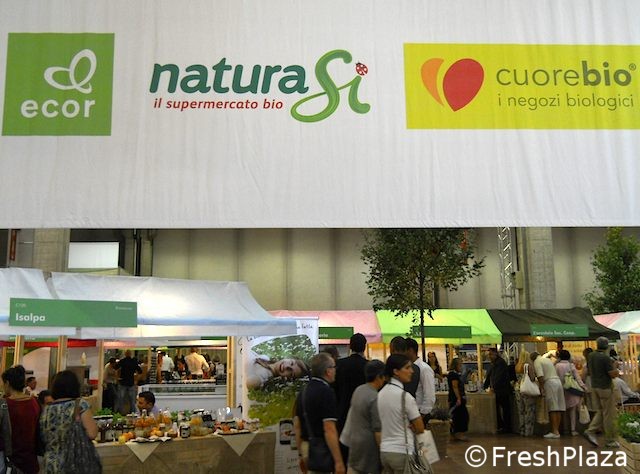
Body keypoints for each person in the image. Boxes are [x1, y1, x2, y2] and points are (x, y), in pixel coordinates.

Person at [294, 352, 345, 474]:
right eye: (334, 367)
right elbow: (329, 428)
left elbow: (297, 425)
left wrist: (300, 454)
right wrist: (339, 461)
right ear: (328, 371)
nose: (335, 371)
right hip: (322, 451)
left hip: (306, 448)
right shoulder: (326, 392)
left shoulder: (303, 392)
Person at [40, 369, 99, 473]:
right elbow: (92, 433)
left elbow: (43, 436)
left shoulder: (47, 410)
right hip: (73, 463)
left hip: (51, 464)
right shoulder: (80, 405)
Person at [378, 354, 425, 473]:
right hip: (402, 450)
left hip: (384, 451)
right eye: (407, 368)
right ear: (396, 371)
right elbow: (420, 428)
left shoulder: (380, 394)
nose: (411, 371)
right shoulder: (405, 397)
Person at [340, 360, 384, 474]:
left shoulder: (358, 390)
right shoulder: (374, 397)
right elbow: (377, 431)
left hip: (354, 444)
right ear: (378, 377)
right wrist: (383, 453)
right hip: (368, 448)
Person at [2, 365, 40, 473]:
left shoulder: (5, 404)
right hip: (30, 461)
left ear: (7, 383)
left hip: (10, 462)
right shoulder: (34, 402)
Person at [583, 336, 620, 448]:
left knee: (600, 411)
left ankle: (590, 430)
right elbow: (612, 374)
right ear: (607, 346)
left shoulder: (591, 356)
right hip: (605, 387)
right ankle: (610, 439)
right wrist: (616, 367)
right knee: (609, 414)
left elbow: (589, 371)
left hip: (594, 386)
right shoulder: (605, 358)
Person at [335, 333, 368, 434]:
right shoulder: (368, 366)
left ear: (350, 346)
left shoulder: (339, 364)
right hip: (363, 414)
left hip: (342, 411)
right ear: (364, 347)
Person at [531, 351, 565, 438]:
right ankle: (557, 430)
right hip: (558, 382)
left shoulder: (537, 362)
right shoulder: (547, 360)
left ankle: (555, 431)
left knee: (552, 408)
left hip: (550, 383)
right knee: (558, 407)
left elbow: (540, 376)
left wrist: (541, 388)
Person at [555, 349, 587, 436]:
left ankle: (564, 429)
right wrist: (583, 386)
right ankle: (573, 430)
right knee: (572, 410)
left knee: (563, 410)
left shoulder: (557, 366)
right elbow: (577, 378)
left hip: (561, 389)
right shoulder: (571, 365)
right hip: (571, 389)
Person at [406, 338, 435, 424]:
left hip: (419, 413)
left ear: (410, 350)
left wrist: (422, 415)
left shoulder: (424, 368)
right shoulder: (408, 367)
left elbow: (429, 394)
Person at [483, 348, 512, 433]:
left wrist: (492, 387)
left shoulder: (500, 363)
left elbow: (498, 377)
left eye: (491, 354)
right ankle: (503, 426)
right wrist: (485, 386)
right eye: (489, 355)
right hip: (499, 390)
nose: (489, 356)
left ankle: (506, 427)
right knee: (501, 409)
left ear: (496, 354)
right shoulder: (495, 363)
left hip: (502, 390)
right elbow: (490, 376)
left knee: (504, 409)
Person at [515, 349, 537, 437]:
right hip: (527, 390)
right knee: (529, 411)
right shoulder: (528, 366)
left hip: (518, 389)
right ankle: (528, 431)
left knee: (521, 411)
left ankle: (522, 430)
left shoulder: (517, 366)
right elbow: (532, 378)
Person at [448, 357, 470, 441]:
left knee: (457, 416)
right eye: (460, 365)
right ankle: (459, 433)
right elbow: (455, 386)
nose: (461, 366)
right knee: (461, 416)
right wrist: (458, 398)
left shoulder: (453, 374)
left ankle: (455, 433)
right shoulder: (453, 375)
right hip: (456, 399)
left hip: (454, 398)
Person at [115, 350, 142, 415]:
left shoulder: (122, 361)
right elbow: (140, 371)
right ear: (130, 354)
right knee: (132, 400)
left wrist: (118, 376)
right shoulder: (133, 362)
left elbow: (115, 367)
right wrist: (136, 378)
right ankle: (132, 413)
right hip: (131, 382)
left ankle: (120, 413)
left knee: (121, 399)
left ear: (125, 354)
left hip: (122, 382)